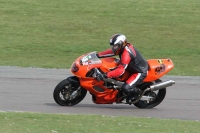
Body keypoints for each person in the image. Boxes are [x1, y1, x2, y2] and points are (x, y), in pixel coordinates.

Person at [96, 34, 148, 104]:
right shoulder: (122, 48)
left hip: (139, 71)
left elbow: (120, 70)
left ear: (122, 44)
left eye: (116, 46)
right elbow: (111, 52)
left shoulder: (126, 54)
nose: (114, 48)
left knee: (126, 88)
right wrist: (98, 55)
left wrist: (106, 75)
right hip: (130, 68)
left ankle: (137, 93)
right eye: (113, 46)